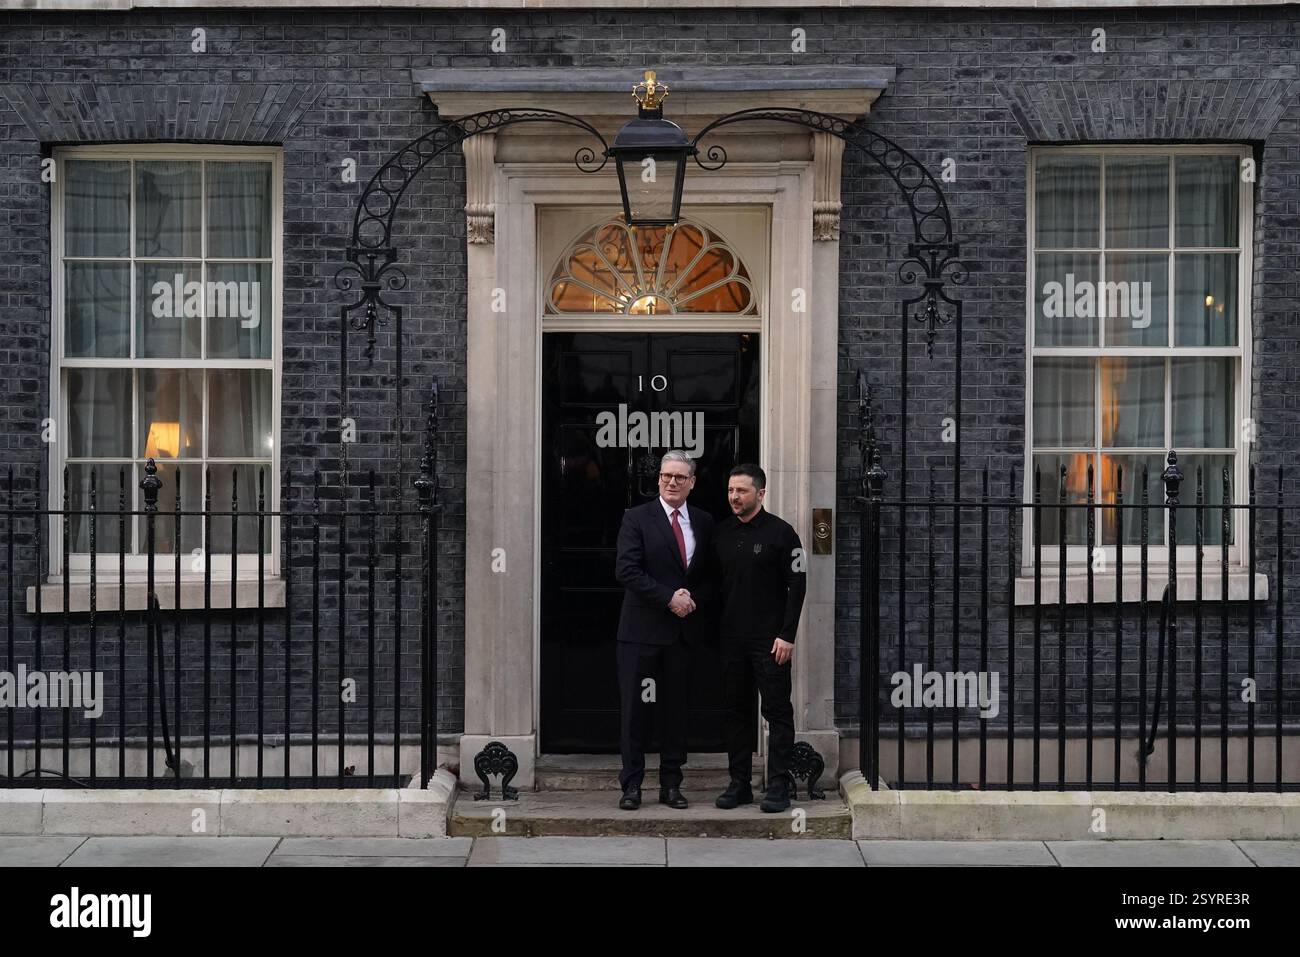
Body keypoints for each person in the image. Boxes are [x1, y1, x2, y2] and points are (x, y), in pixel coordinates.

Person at [612, 450, 715, 811]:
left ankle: (671, 784)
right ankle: (632, 785)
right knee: (635, 713)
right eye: (666, 476)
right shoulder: (636, 518)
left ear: (692, 482)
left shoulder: (704, 522)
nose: (672, 482)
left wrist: (692, 598)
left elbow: (711, 575)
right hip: (641, 633)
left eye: (680, 477)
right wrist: (669, 597)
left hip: (683, 634)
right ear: (658, 479)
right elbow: (626, 570)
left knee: (676, 712)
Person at [712, 463, 807, 813]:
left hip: (771, 642)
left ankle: (779, 786)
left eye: (742, 491)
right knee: (736, 713)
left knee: (777, 712)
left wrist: (787, 635)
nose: (734, 497)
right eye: (731, 491)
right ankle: (739, 785)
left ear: (761, 494)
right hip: (731, 640)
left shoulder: (784, 534)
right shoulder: (720, 534)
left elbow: (798, 584)